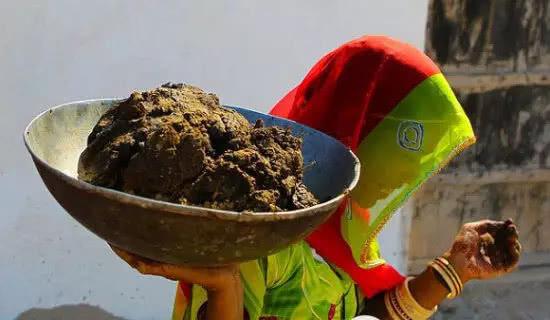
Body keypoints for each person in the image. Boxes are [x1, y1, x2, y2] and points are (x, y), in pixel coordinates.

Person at [112, 36, 522, 320]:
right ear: (357, 129)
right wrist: (223, 284)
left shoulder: (346, 227)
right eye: (404, 151)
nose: (406, 175)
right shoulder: (263, 229)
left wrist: (455, 268)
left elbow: (368, 315)